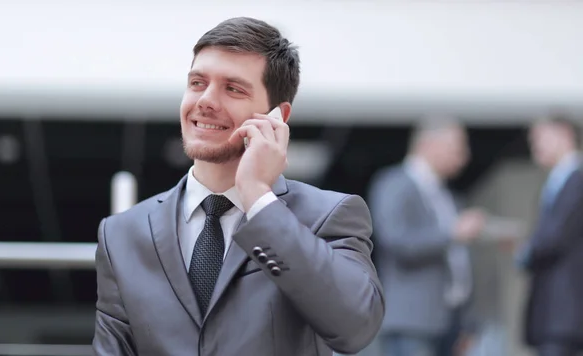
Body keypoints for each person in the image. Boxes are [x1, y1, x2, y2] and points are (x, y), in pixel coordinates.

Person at [92, 17, 385, 356]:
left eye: (233, 88)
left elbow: (355, 328)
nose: (206, 101)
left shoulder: (329, 216)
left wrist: (259, 197)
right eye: (197, 83)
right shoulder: (121, 234)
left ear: (277, 116)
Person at [368, 118, 483, 356]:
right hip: (412, 322)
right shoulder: (393, 183)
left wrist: (468, 322)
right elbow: (395, 241)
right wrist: (453, 232)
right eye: (457, 147)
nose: (464, 156)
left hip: (450, 321)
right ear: (429, 144)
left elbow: (458, 260)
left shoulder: (447, 195)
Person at [516, 116, 583, 356]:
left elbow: (553, 237)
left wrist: (524, 251)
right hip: (555, 314)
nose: (535, 147)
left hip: (564, 312)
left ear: (563, 133)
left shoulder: (576, 179)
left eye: (539, 138)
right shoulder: (556, 182)